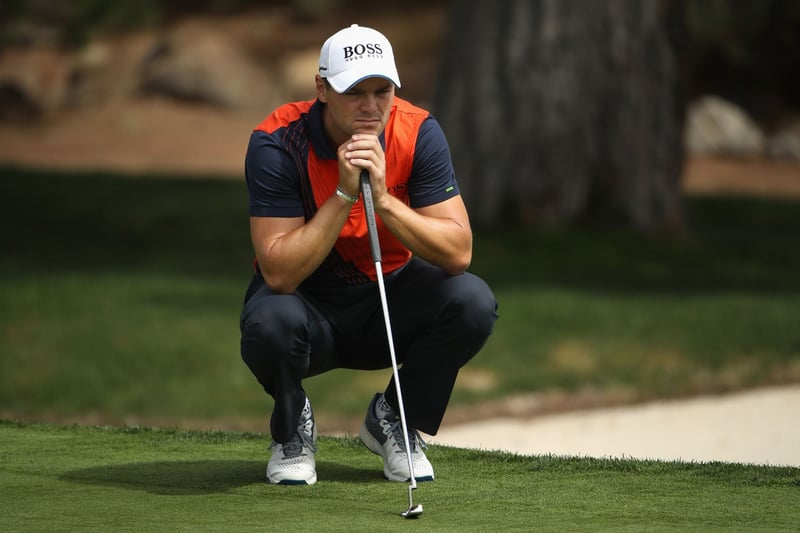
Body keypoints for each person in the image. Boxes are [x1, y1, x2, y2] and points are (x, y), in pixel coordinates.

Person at [240, 23, 498, 486]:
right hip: (306, 304)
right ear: (321, 88)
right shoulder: (277, 142)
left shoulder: (417, 131)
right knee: (268, 326)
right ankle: (292, 427)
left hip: (389, 296)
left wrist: (382, 200)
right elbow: (279, 273)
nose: (371, 106)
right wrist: (343, 194)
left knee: (472, 302)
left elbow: (458, 251)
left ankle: (395, 418)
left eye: (383, 91)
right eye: (355, 91)